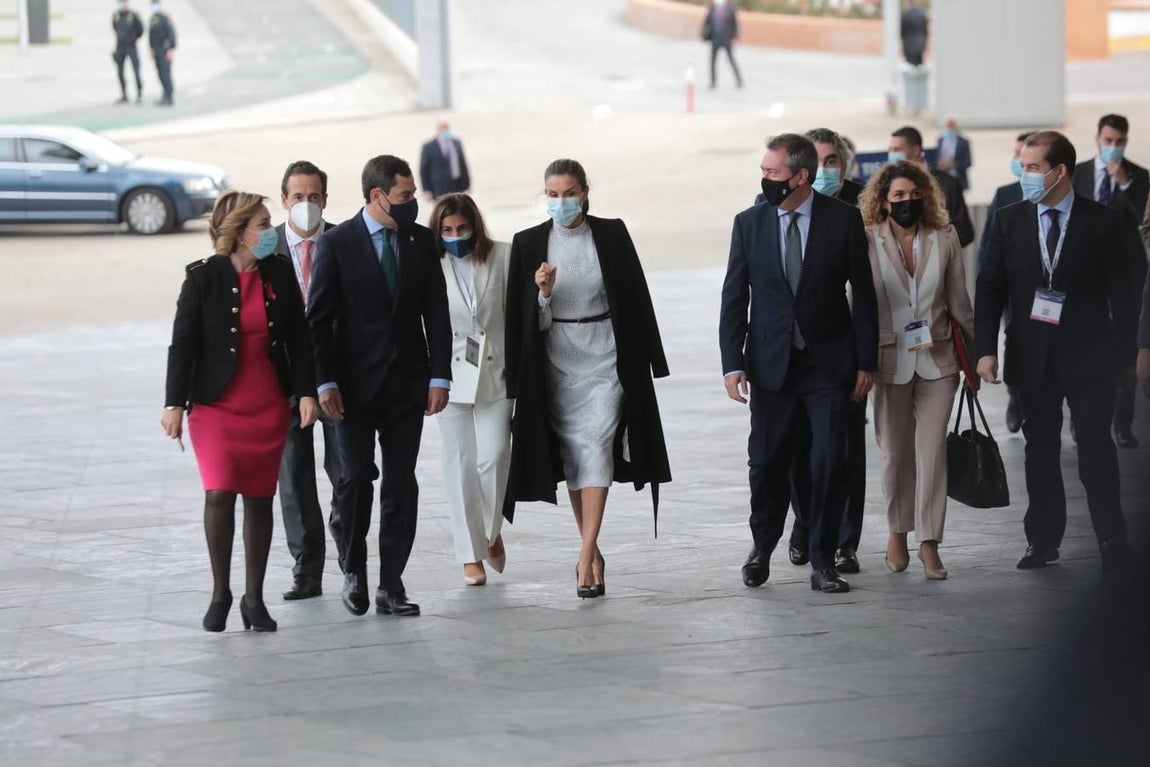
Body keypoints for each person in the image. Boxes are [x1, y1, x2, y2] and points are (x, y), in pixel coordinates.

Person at [505, 158, 671, 600]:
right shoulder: (528, 243)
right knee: (576, 458)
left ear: (584, 193)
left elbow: (635, 294)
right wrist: (542, 294)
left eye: (568, 193)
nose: (561, 202)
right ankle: (593, 552)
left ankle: (582, 556)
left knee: (597, 446)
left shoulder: (611, 234)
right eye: (552, 195)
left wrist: (650, 361)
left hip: (607, 358)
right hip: (558, 361)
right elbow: (524, 323)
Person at [720, 133, 878, 594]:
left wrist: (866, 362)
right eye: (764, 171)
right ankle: (762, 545)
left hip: (828, 365)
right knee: (766, 464)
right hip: (771, 367)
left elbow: (865, 296)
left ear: (800, 176)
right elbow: (734, 298)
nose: (765, 179)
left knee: (829, 462)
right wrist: (732, 364)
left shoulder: (842, 220)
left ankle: (823, 561)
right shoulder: (749, 223)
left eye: (773, 172)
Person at [976, 131, 1140, 574]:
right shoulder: (1009, 220)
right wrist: (985, 350)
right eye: (1024, 166)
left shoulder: (1103, 222)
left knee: (1096, 448)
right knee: (1040, 451)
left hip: (1090, 356)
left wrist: (1128, 355)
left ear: (1059, 171)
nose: (1025, 175)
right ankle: (1043, 540)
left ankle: (1111, 537)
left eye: (1033, 167)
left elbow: (1125, 295)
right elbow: (990, 288)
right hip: (1032, 356)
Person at [162, 191, 318, 633]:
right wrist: (174, 403)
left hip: (266, 404)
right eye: (263, 224)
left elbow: (299, 338)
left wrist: (306, 393)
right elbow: (182, 345)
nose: (270, 231)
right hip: (215, 407)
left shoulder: (279, 272)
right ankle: (220, 593)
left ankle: (254, 599)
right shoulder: (202, 277)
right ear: (239, 231)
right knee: (218, 492)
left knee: (259, 498)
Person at [307, 155, 452, 618]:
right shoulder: (337, 243)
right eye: (405, 196)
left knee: (401, 483)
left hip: (407, 385)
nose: (413, 203)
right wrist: (324, 380)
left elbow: (437, 312)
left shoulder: (419, 241)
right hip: (350, 389)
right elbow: (318, 321)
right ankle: (353, 568)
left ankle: (392, 583)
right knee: (354, 479)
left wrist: (439, 375)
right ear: (378, 196)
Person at [859, 161, 974, 579]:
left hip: (938, 359)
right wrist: (858, 362)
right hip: (887, 360)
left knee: (932, 452)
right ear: (883, 201)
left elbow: (959, 301)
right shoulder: (867, 239)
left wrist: (976, 358)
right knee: (895, 454)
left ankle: (929, 541)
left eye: (913, 194)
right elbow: (857, 304)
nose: (907, 201)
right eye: (898, 196)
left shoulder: (945, 236)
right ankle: (897, 531)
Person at [776, 127, 869, 575]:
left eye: (833, 161)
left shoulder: (863, 207)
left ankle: (845, 542)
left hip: (843, 350)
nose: (825, 169)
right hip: (793, 353)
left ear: (844, 167)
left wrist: (866, 357)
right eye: (819, 161)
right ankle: (806, 521)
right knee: (799, 448)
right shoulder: (773, 206)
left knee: (845, 449)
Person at [430, 194, 512, 587]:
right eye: (447, 230)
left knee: (495, 456)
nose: (455, 236)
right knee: (459, 463)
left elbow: (519, 312)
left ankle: (489, 532)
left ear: (474, 226)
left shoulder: (503, 256)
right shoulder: (430, 265)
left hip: (496, 370)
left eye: (462, 228)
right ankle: (470, 554)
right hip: (448, 375)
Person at [272, 161, 339, 601]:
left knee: (347, 473)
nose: (306, 203)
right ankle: (307, 569)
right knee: (294, 477)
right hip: (284, 381)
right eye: (298, 196)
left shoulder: (344, 242)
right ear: (284, 200)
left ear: (325, 200)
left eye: (314, 196)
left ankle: (350, 555)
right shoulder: (268, 248)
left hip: (338, 377)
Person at [1071, 114, 1150, 449]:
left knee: (1125, 354)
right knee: (1082, 351)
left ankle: (1122, 425)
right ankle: (1080, 420)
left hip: (1126, 278)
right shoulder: (1078, 173)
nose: (1113, 147)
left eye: (1119, 142)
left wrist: (1124, 183)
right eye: (1108, 141)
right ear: (1098, 139)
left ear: (1126, 141)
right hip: (1085, 277)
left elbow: (1143, 224)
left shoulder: (1140, 177)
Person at [979, 132, 1034, 435]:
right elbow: (988, 244)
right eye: (1016, 156)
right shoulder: (1005, 195)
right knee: (1015, 341)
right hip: (1014, 290)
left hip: (1049, 292)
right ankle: (1016, 397)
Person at [889, 126, 975, 248]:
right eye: (891, 150)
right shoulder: (886, 184)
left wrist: (935, 248)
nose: (892, 154)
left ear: (915, 151)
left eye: (897, 149)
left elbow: (965, 233)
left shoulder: (947, 183)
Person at [420, 121, 471, 202]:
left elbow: (463, 164)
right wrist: (426, 190)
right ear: (438, 130)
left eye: (446, 129)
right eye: (443, 129)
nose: (445, 131)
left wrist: (467, 185)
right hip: (439, 187)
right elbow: (424, 169)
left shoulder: (456, 143)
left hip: (457, 184)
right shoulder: (429, 146)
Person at [701, 0, 742, 90]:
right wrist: (703, 34)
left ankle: (739, 80)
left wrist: (735, 37)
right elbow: (706, 22)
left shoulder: (730, 8)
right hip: (715, 38)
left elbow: (735, 24)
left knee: (731, 60)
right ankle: (713, 82)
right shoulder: (712, 7)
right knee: (713, 61)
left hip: (726, 39)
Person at [111, 1, 144, 105]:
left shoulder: (133, 16)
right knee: (120, 72)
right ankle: (124, 94)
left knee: (136, 70)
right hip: (120, 47)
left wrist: (133, 38)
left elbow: (140, 30)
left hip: (131, 47)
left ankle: (139, 93)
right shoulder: (116, 16)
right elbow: (114, 28)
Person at [148, 1, 176, 106]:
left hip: (165, 50)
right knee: (160, 74)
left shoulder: (165, 18)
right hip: (156, 50)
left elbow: (172, 34)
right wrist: (151, 49)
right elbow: (151, 36)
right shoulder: (152, 19)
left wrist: (171, 49)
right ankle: (164, 95)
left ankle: (169, 96)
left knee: (166, 73)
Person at [934, 117, 973, 191]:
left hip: (958, 178)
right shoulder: (940, 140)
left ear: (955, 127)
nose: (949, 129)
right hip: (942, 178)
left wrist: (954, 164)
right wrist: (941, 163)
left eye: (951, 126)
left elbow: (968, 162)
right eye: (947, 126)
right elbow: (936, 157)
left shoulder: (963, 142)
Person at [900, 0, 929, 67]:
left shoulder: (904, 14)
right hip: (920, 43)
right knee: (919, 65)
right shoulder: (921, 14)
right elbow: (925, 30)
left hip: (908, 44)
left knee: (910, 65)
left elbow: (902, 30)